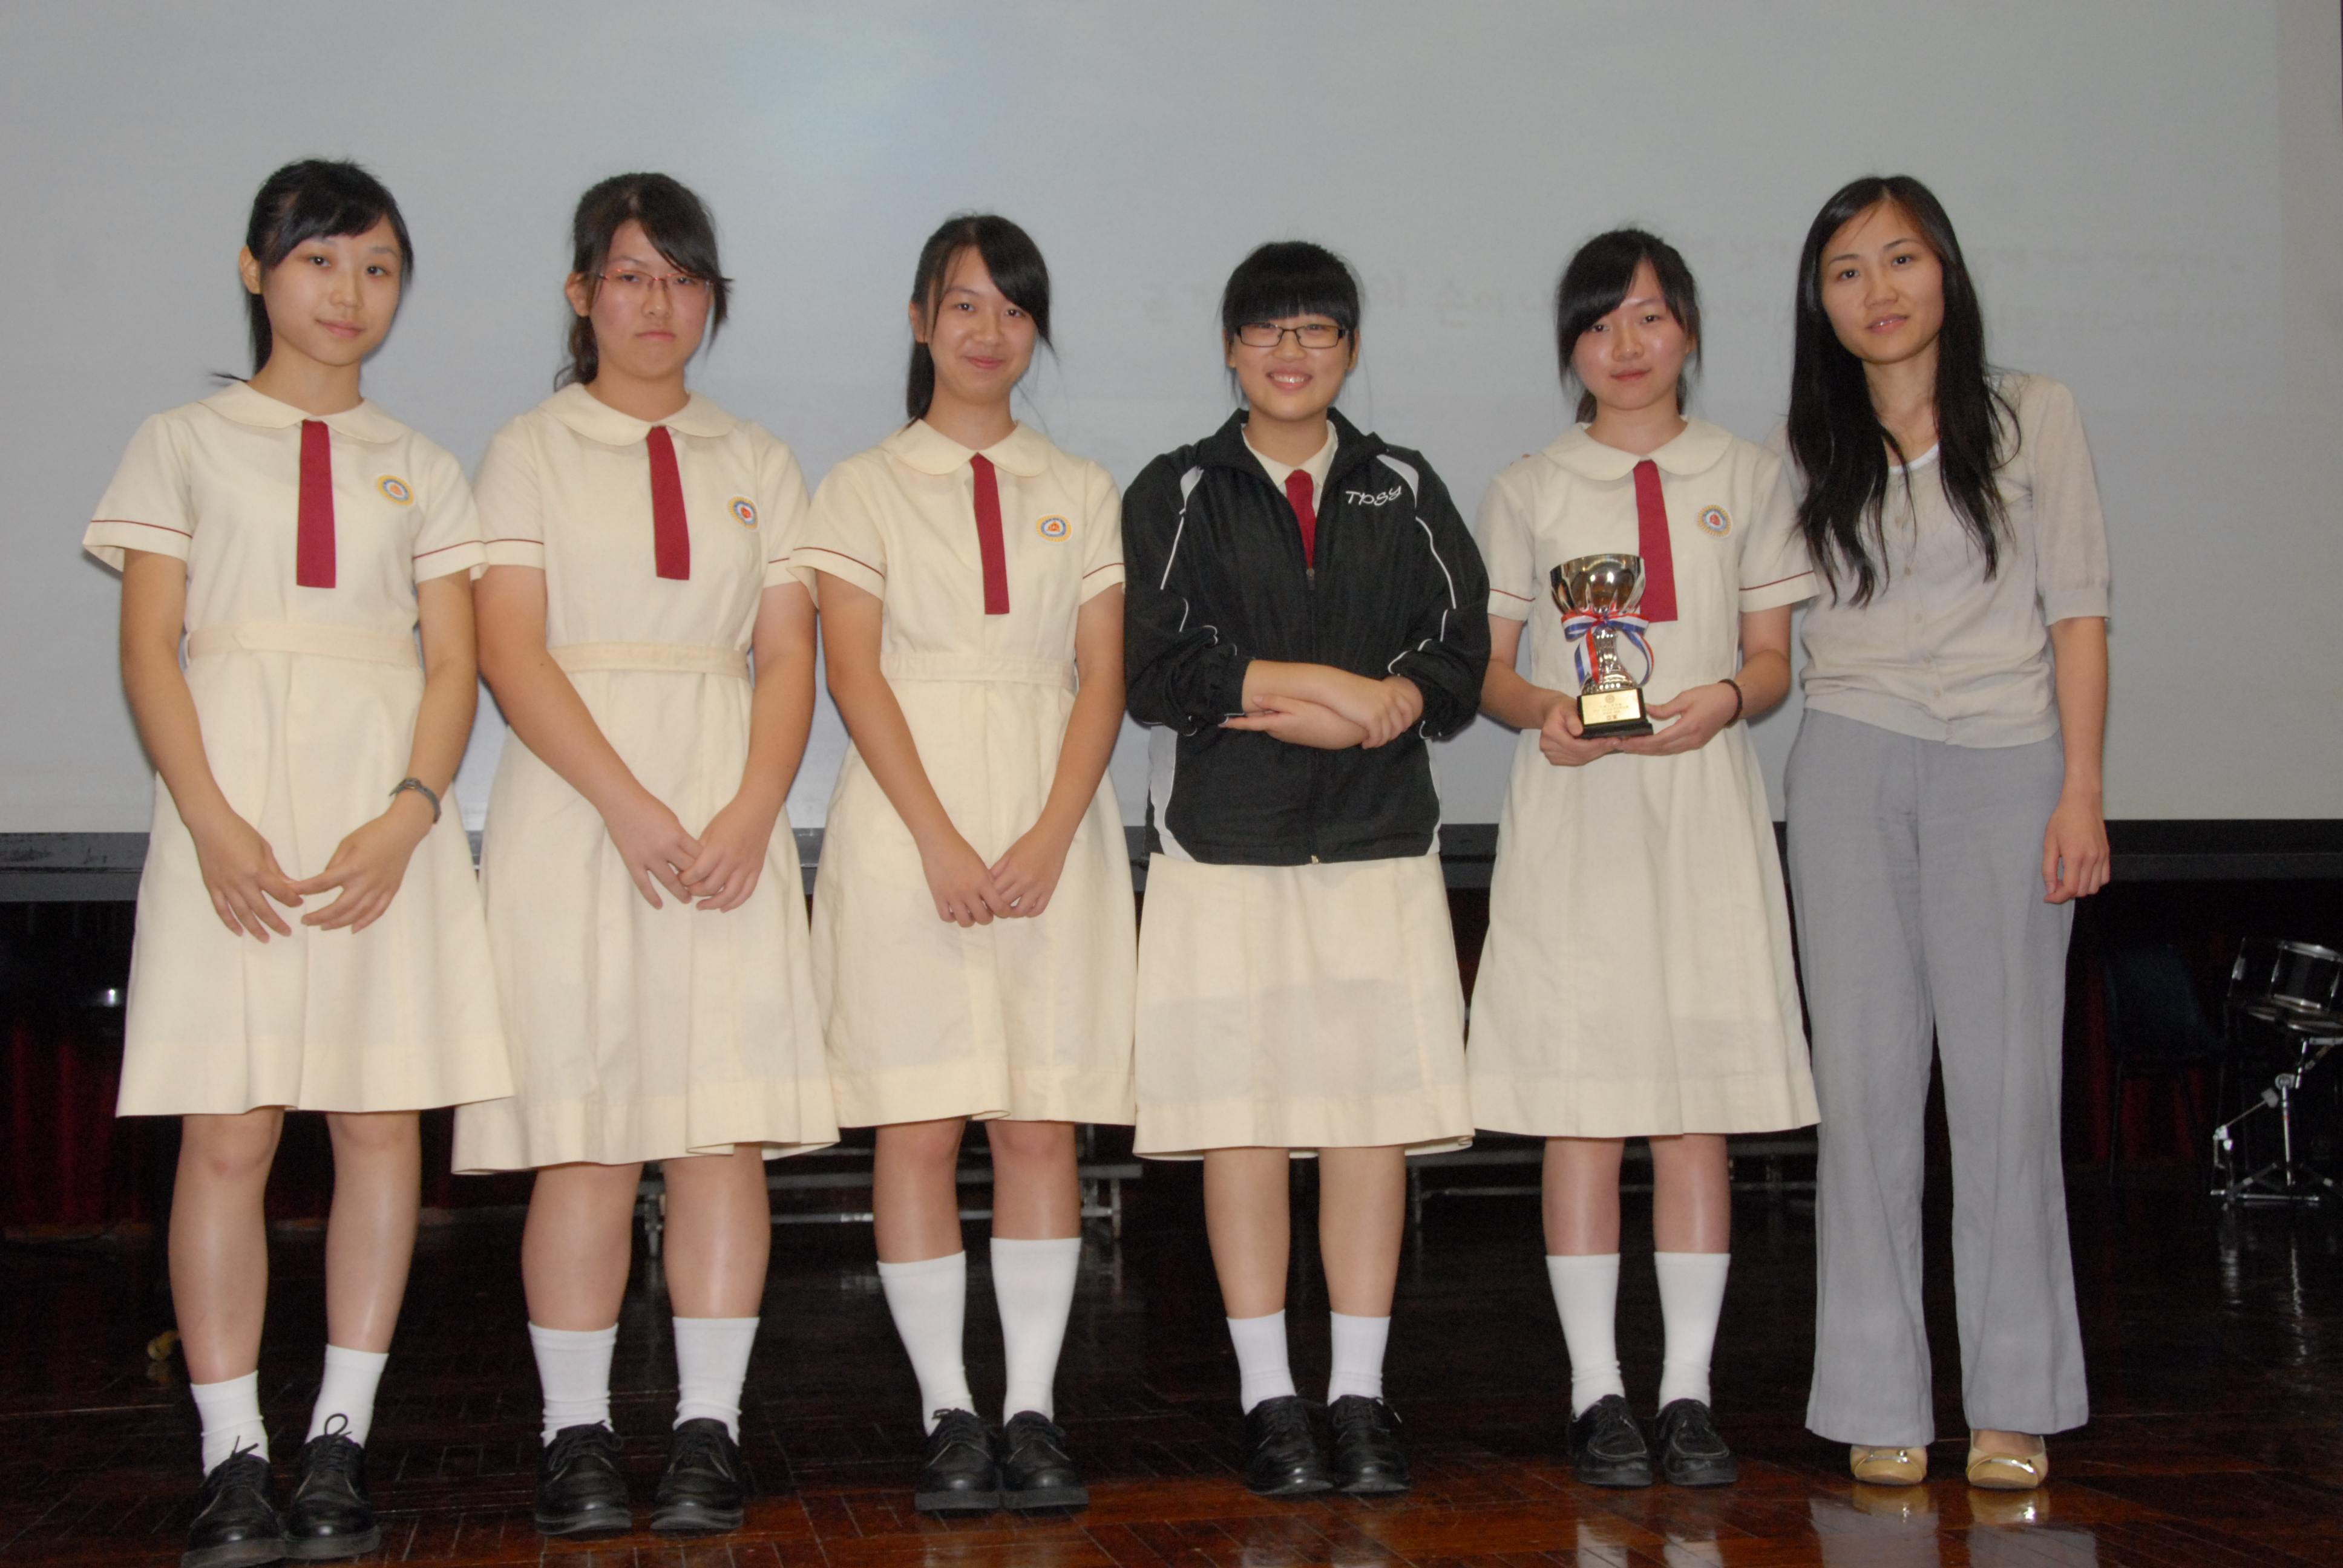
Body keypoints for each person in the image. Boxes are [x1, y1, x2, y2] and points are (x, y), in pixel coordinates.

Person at [85, 158, 510, 1567]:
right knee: (229, 1132)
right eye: (322, 259)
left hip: (379, 828)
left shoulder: (425, 465)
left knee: (379, 1127)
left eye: (378, 267)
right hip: (229, 821)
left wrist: (411, 812)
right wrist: (209, 819)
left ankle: (339, 1436)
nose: (350, 292)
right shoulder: (181, 442)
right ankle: (231, 1450)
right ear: (257, 269)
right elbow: (152, 648)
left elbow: (451, 664)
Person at [450, 173, 839, 1538]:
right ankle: (574, 1436)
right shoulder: (528, 448)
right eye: (630, 275)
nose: (657, 303)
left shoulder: (759, 458)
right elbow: (509, 648)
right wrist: (624, 805)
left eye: (682, 279)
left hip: (727, 807)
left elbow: (786, 653)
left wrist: (752, 811)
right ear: (583, 294)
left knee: (720, 1131)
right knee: (588, 1137)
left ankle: (707, 1431)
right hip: (576, 811)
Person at [1121, 240, 1488, 1499]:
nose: (1291, 352)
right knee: (1246, 1124)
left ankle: (1362, 1396)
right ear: (1230, 349)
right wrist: (1321, 688)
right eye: (1267, 330)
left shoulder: (1403, 482)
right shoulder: (1176, 487)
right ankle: (1270, 1397)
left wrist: (1387, 706)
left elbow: (1457, 652)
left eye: (1317, 330)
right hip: (1224, 847)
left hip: (1378, 841)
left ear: (1350, 349)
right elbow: (1156, 665)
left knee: (1367, 1125)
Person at [1469, 229, 1820, 1491]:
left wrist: (1726, 699)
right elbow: (1489, 670)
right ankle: (1595, 1391)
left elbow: (1772, 662)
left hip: (1705, 809)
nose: (1626, 345)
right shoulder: (1530, 484)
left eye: (1651, 317)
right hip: (1578, 815)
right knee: (1585, 1110)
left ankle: (1687, 1392)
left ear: (1690, 332)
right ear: (1569, 344)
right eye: (1599, 323)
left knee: (1693, 1110)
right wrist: (1543, 714)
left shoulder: (1748, 473)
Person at [798, 214, 1134, 1516]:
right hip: (907, 827)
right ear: (919, 320)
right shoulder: (862, 485)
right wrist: (937, 839)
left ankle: (1033, 1407)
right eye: (964, 305)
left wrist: (1051, 833)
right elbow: (853, 672)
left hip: (1054, 821)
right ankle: (947, 1408)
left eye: (1013, 308)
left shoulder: (1081, 485)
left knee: (1040, 1119)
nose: (989, 331)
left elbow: (1100, 677)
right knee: (921, 1119)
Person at [1780, 174, 2109, 1492]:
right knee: (1862, 1096)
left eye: (1901, 258)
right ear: (1820, 302)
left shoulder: (2035, 414)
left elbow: (2078, 610)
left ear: (1947, 273)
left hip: (2007, 766)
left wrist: (2080, 788)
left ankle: (2015, 1400)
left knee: (2008, 1094)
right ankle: (1877, 1395)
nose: (1879, 290)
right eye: (1848, 270)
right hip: (1849, 764)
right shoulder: (1804, 444)